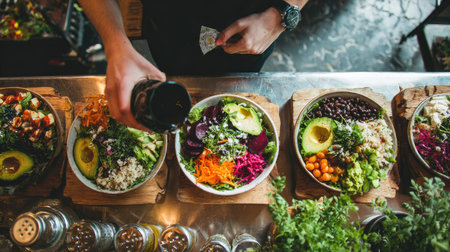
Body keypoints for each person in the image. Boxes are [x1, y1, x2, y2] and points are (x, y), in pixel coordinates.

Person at [78, 0, 308, 130]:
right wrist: (115, 44)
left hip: (250, 30)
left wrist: (282, 14)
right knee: (171, 70)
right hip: (167, 29)